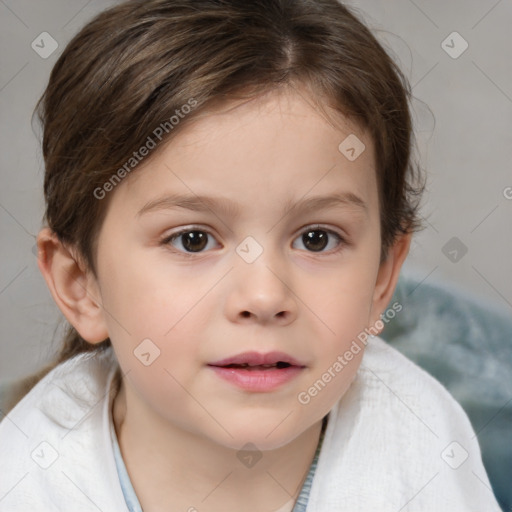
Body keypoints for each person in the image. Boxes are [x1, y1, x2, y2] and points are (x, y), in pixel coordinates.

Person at [0, 1, 502, 511]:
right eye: (192, 239)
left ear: (382, 279)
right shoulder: (26, 483)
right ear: (80, 284)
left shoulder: (424, 456)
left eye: (316, 239)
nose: (264, 297)